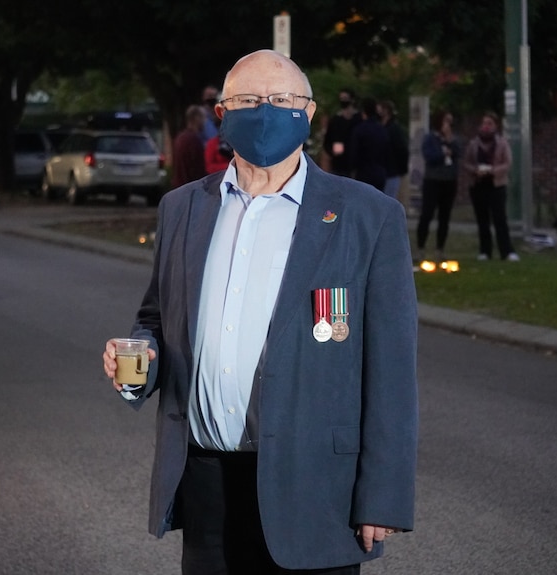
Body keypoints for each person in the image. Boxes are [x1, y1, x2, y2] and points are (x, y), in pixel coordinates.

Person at [102, 49, 418, 574]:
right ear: (223, 113)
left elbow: (392, 372)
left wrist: (383, 495)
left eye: (281, 99)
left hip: (315, 488)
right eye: (248, 100)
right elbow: (157, 321)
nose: (265, 111)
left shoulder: (369, 216)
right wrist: (137, 363)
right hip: (206, 485)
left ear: (310, 112)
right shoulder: (182, 209)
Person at [463, 111, 519, 261]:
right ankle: (485, 251)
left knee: (500, 218)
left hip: (497, 185)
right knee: (482, 220)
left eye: (489, 124)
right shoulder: (474, 144)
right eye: (484, 123)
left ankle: (506, 251)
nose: (486, 127)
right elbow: (466, 162)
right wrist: (475, 170)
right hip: (478, 185)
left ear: (495, 126)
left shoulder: (502, 143)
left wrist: (494, 171)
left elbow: (507, 163)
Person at [416, 110, 461, 261]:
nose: (448, 125)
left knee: (445, 216)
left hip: (449, 180)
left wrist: (449, 142)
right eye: (446, 121)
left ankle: (440, 248)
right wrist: (443, 154)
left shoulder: (452, 139)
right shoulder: (430, 138)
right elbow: (430, 156)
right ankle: (420, 247)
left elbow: (458, 152)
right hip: (433, 180)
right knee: (427, 214)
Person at [348, 97, 390, 192]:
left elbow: (354, 153)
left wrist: (352, 169)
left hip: (364, 173)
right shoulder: (382, 130)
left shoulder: (359, 130)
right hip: (380, 172)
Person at [322, 88, 361, 176]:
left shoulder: (359, 119)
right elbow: (327, 141)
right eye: (341, 98)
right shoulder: (336, 120)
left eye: (345, 98)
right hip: (338, 165)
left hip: (356, 166)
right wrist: (332, 152)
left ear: (352, 100)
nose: (343, 101)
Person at [377, 100, 409, 200]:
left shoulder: (393, 129)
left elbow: (401, 149)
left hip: (391, 171)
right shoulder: (382, 127)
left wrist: (401, 168)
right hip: (384, 171)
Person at [171, 105, 207, 188]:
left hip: (178, 187)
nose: (204, 122)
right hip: (190, 188)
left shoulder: (180, 138)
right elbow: (198, 170)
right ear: (196, 118)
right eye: (203, 118)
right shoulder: (193, 140)